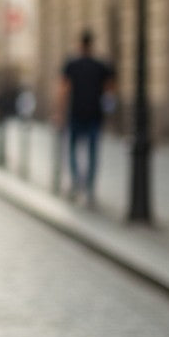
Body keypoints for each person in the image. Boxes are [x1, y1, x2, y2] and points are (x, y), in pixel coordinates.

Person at [57, 29, 115, 206]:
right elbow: (110, 89)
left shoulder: (71, 64)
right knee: (92, 153)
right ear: (92, 44)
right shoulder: (101, 65)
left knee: (74, 150)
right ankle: (89, 188)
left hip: (76, 113)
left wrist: (59, 112)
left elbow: (63, 90)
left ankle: (76, 182)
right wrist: (109, 109)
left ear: (80, 44)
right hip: (95, 115)